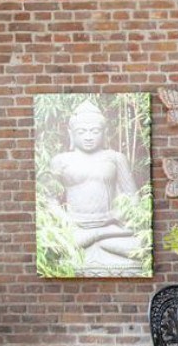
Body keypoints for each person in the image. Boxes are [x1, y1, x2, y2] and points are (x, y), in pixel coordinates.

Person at [48, 100, 144, 276]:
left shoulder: (115, 158)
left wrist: (117, 216)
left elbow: (133, 197)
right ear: (71, 133)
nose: (88, 136)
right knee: (55, 247)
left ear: (104, 132)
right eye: (81, 132)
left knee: (141, 246)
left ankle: (96, 237)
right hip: (75, 229)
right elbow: (49, 201)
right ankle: (97, 237)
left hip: (113, 227)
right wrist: (65, 220)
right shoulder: (61, 160)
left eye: (95, 131)